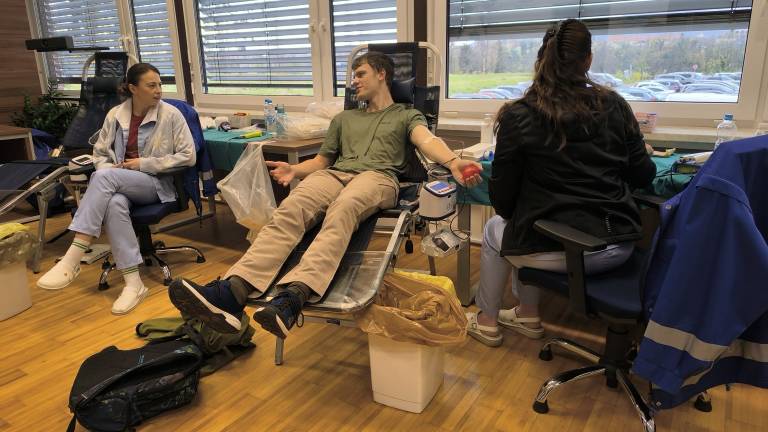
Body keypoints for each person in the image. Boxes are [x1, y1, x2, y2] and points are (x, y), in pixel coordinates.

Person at [169, 51, 482, 339]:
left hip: (379, 178)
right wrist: (295, 170)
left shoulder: (406, 114)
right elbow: (322, 161)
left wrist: (453, 162)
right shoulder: (344, 119)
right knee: (291, 208)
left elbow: (426, 140)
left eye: (360, 74)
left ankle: (295, 295)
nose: (354, 81)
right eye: (353, 76)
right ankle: (233, 291)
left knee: (343, 208)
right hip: (335, 174)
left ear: (382, 74)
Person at [465, 19, 656, 347]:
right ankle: (527, 314)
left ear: (542, 59)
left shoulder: (520, 116)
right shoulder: (615, 106)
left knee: (498, 228)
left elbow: (504, 202)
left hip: (566, 251)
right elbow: (644, 175)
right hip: (618, 245)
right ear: (588, 60)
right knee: (522, 228)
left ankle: (487, 321)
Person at [37, 63, 196, 315]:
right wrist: (112, 168)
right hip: (119, 183)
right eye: (151, 85)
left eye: (159, 85)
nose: (158, 90)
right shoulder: (115, 115)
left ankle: (72, 258)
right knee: (113, 202)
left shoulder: (171, 114)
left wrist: (143, 164)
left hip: (154, 184)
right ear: (133, 88)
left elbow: (188, 156)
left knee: (103, 177)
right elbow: (99, 154)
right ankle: (134, 284)